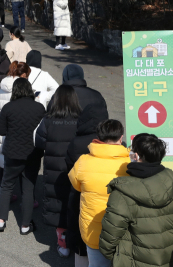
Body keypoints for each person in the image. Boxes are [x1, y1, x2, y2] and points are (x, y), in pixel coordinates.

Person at [99, 133, 173, 267]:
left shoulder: (122, 193)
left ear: (136, 156)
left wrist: (120, 258)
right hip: (172, 261)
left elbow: (109, 240)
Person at [68, 119, 130, 267]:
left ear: (98, 137)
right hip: (122, 228)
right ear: (121, 137)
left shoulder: (83, 161)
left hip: (93, 229)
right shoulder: (129, 163)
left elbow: (76, 185)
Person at [34, 85, 82, 257]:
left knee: (57, 203)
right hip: (77, 168)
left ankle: (63, 243)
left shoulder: (48, 120)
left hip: (54, 168)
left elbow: (39, 142)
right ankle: (77, 241)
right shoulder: (81, 120)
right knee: (76, 203)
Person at [0, 78, 45, 234]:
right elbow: (43, 131)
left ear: (15, 91)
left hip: (13, 153)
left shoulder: (8, 107)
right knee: (28, 189)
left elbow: (1, 131)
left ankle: (1, 222)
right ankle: (25, 226)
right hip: (33, 153)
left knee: (6, 186)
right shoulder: (39, 108)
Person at [65, 103, 110, 264]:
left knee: (82, 244)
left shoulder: (76, 143)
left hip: (82, 199)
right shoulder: (118, 147)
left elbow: (71, 174)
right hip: (110, 204)